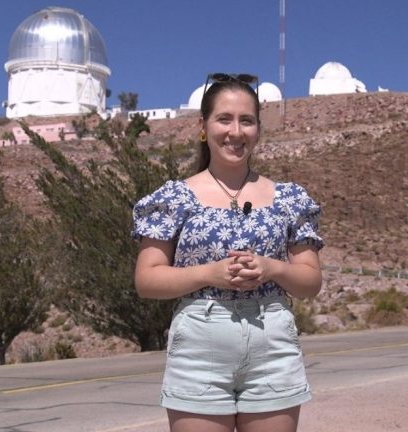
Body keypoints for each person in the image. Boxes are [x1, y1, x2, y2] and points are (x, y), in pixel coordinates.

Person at [132, 72, 324, 432]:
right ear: (203, 127)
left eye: (246, 121)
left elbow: (310, 281)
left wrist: (272, 268)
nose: (235, 132)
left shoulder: (290, 199)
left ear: (258, 129)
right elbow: (147, 279)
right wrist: (209, 274)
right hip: (199, 350)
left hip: (272, 347)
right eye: (224, 119)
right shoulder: (174, 198)